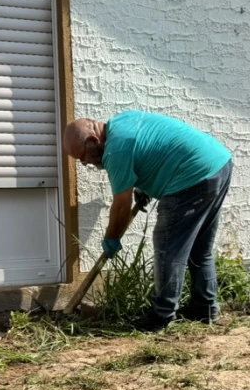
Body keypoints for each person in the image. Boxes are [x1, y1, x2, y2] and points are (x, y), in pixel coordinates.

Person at [63, 113, 233, 332]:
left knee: (168, 246)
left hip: (193, 176)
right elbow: (153, 151)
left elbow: (121, 207)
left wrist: (111, 238)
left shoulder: (116, 151)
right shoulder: (122, 122)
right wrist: (144, 187)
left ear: (93, 140)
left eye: (83, 157)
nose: (86, 162)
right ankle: (204, 309)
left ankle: (161, 316)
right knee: (200, 248)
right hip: (218, 164)